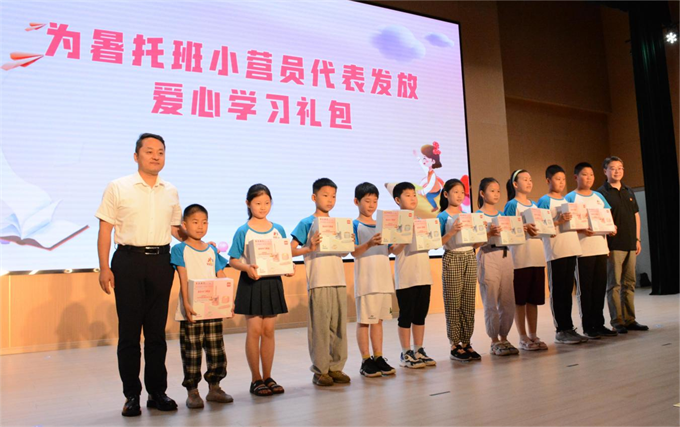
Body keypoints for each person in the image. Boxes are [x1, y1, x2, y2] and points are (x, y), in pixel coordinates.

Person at [96, 133, 181, 416]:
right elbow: (105, 230)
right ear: (136, 156)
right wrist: (104, 267)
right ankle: (131, 394)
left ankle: (157, 392)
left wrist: (198, 239)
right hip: (128, 261)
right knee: (130, 333)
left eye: (161, 152)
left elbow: (175, 228)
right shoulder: (118, 187)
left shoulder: (171, 190)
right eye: (149, 151)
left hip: (161, 262)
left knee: (156, 333)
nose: (156, 156)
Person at [228, 184, 294, 397]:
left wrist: (288, 267)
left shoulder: (278, 229)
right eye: (258, 203)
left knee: (268, 331)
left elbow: (284, 257)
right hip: (252, 283)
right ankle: (255, 379)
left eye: (267, 202)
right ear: (248, 203)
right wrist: (247, 268)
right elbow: (233, 260)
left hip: (272, 283)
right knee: (254, 331)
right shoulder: (243, 230)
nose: (263, 207)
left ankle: (268, 377)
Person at [171, 204, 233, 409]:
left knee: (216, 350)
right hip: (192, 311)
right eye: (195, 222)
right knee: (192, 351)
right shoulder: (179, 249)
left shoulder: (212, 250)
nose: (200, 226)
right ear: (184, 224)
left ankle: (215, 387)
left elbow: (221, 275)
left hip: (213, 310)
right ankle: (193, 391)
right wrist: (187, 303)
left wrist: (228, 301)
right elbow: (182, 278)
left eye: (204, 222)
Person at [290, 178, 351, 387]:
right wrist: (309, 247)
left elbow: (343, 252)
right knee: (320, 327)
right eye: (325, 195)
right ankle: (320, 370)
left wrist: (348, 243)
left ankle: (336, 367)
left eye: (333, 196)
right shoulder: (306, 223)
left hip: (338, 279)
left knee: (338, 326)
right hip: (318, 280)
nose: (330, 200)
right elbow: (290, 249)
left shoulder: (338, 224)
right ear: (314, 197)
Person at [565, 163, 619, 339]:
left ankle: (599, 323)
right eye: (584, 174)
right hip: (582, 250)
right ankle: (588, 326)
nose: (588, 178)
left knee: (599, 287)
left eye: (591, 175)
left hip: (600, 248)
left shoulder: (598, 196)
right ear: (576, 177)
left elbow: (607, 218)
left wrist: (612, 228)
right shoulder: (570, 198)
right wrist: (581, 229)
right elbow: (566, 223)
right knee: (585, 290)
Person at [537, 165, 588, 345]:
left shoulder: (567, 201)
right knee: (558, 291)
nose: (561, 182)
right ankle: (561, 330)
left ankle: (569, 327)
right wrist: (558, 221)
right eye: (557, 179)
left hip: (571, 249)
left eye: (563, 179)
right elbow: (540, 227)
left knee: (567, 291)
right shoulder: (544, 201)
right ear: (548, 180)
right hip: (556, 251)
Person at [597, 156, 648, 333]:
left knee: (629, 283)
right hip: (613, 245)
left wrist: (637, 239)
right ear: (605, 171)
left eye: (620, 168)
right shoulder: (601, 193)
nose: (617, 171)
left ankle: (630, 319)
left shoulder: (629, 191)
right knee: (614, 284)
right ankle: (617, 321)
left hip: (630, 243)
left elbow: (636, 216)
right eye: (612, 168)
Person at [351, 182, 398, 377]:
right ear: (356, 201)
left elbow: (392, 250)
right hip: (366, 281)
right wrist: (369, 243)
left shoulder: (383, 225)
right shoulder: (354, 225)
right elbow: (354, 251)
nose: (371, 205)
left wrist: (404, 240)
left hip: (383, 280)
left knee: (378, 320)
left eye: (375, 201)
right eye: (367, 201)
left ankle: (378, 356)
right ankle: (365, 359)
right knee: (364, 321)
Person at [390, 182, 437, 369]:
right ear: (397, 200)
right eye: (407, 195)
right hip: (406, 276)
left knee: (420, 315)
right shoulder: (394, 222)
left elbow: (431, 245)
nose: (412, 198)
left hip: (423, 274)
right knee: (406, 315)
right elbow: (394, 249)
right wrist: (405, 236)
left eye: (414, 195)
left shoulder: (421, 221)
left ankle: (419, 350)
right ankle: (405, 352)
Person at [503, 169, 548, 351]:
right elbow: (507, 230)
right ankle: (522, 336)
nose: (529, 182)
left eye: (530, 179)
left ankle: (533, 334)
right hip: (520, 259)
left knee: (533, 299)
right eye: (525, 179)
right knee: (520, 300)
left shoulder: (536, 205)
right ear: (515, 184)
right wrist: (523, 227)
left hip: (537, 257)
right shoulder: (512, 205)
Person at [437, 178, 481, 362]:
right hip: (453, 257)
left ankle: (467, 342)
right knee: (453, 302)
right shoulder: (442, 217)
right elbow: (436, 243)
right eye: (456, 192)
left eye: (462, 192)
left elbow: (475, 244)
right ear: (446, 194)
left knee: (468, 302)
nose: (460, 195)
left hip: (470, 256)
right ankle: (455, 344)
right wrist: (452, 231)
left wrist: (482, 235)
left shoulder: (467, 216)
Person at [476, 178, 518, 356]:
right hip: (488, 255)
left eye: (498, 191)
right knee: (491, 300)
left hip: (506, 255)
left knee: (508, 301)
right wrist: (488, 234)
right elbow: (474, 243)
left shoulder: (503, 216)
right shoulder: (477, 216)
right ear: (482, 193)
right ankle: (494, 340)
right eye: (492, 190)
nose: (496, 194)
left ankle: (504, 337)